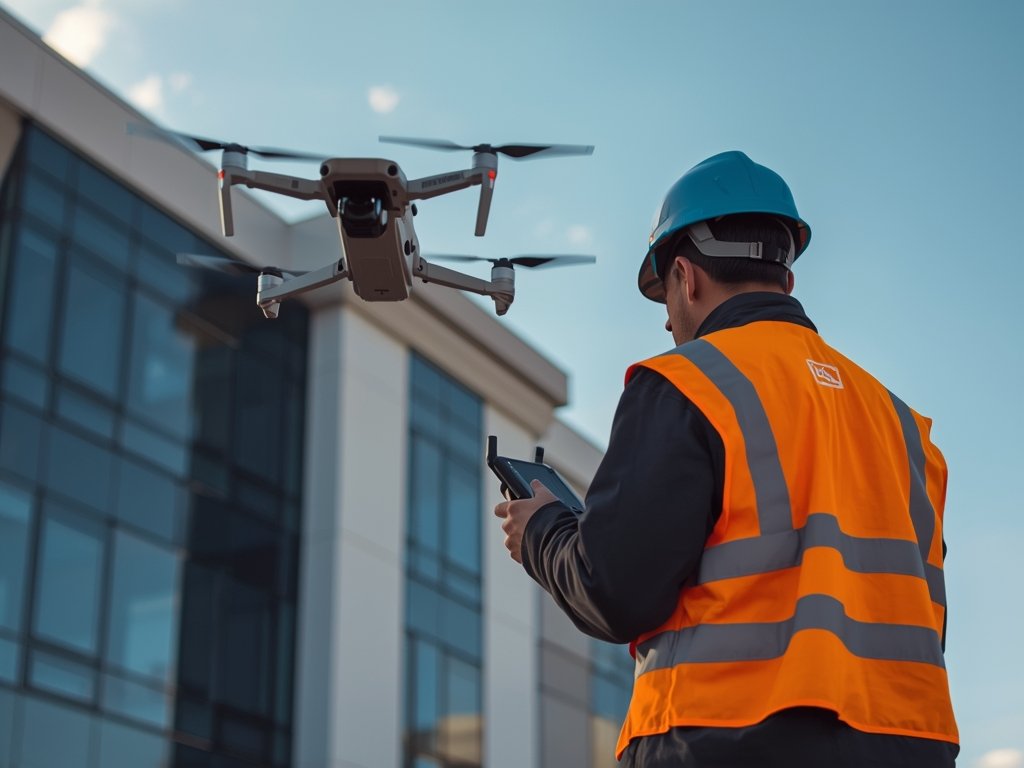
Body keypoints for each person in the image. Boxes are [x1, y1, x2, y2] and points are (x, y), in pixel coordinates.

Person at [493, 151, 959, 767]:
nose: (667, 322)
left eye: (665, 296)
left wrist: (543, 533)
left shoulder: (687, 383)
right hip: (909, 744)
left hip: (721, 738)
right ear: (787, 279)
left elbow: (614, 591)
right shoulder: (904, 426)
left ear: (686, 277)